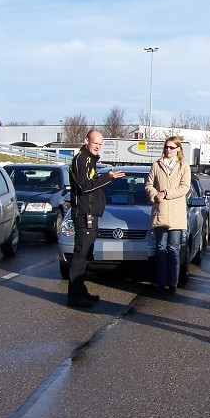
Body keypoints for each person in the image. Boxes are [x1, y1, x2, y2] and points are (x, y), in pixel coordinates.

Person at [67, 129, 125, 308]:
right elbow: (84, 186)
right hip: (83, 214)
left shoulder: (90, 160)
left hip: (92, 214)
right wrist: (107, 177)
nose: (98, 147)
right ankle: (74, 295)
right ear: (86, 141)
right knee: (80, 256)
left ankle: (80, 290)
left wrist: (105, 178)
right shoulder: (80, 160)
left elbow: (92, 183)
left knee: (86, 255)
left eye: (100, 144)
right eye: (95, 143)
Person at [145, 136, 192, 293]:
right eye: (166, 147)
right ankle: (160, 281)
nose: (168, 150)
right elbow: (148, 185)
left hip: (176, 214)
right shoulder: (156, 165)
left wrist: (165, 193)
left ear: (178, 149)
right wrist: (154, 194)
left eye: (172, 147)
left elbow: (185, 187)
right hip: (161, 212)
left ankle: (173, 283)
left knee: (173, 249)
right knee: (160, 248)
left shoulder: (183, 166)